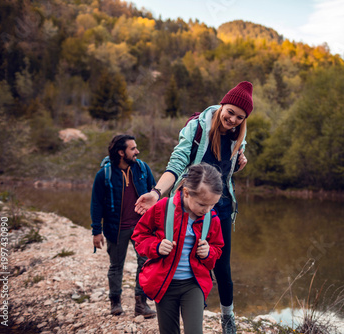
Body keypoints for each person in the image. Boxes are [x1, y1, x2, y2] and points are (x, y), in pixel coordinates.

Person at [135, 81, 253, 333]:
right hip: (190, 202)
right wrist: (157, 192)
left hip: (220, 206)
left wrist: (241, 160)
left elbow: (234, 164)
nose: (232, 119)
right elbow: (177, 163)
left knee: (220, 262)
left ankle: (227, 317)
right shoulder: (197, 128)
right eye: (230, 112)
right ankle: (176, 299)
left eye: (239, 117)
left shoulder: (238, 139)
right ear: (222, 105)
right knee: (178, 253)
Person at [132, 163, 225, 334]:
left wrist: (209, 252)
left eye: (213, 205)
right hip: (164, 283)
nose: (208, 210)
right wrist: (157, 246)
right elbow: (140, 236)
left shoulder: (212, 219)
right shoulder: (162, 208)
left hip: (193, 285)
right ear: (187, 192)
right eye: (203, 204)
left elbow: (218, 248)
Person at [90, 134, 157, 318]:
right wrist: (97, 232)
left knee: (145, 263)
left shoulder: (142, 168)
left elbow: (155, 193)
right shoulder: (104, 175)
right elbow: (96, 204)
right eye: (133, 148)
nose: (137, 151)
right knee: (116, 266)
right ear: (121, 152)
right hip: (116, 229)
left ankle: (141, 304)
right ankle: (115, 302)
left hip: (142, 227)